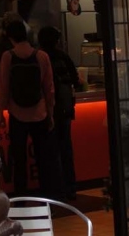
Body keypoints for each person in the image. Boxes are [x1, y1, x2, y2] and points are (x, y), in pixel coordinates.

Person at [0, 20, 64, 199]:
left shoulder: (8, 56)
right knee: (44, 158)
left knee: (19, 159)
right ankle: (47, 198)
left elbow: (3, 87)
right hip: (40, 113)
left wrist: (0, 113)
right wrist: (50, 113)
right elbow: (49, 88)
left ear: (10, 37)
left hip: (17, 114)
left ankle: (21, 198)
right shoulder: (41, 56)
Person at [38, 25, 85, 199]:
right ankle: (70, 187)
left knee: (49, 150)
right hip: (65, 108)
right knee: (65, 148)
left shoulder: (39, 57)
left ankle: (54, 189)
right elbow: (76, 80)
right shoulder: (63, 56)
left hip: (46, 109)